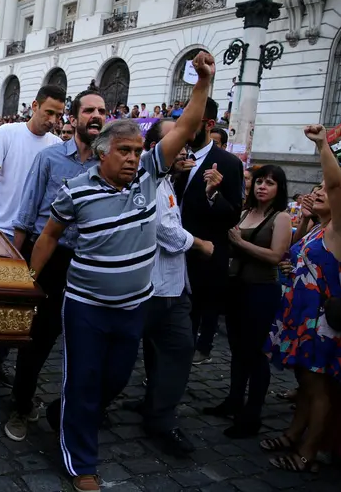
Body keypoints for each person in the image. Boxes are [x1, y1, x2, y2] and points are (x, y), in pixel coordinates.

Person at [30, 52, 216, 492]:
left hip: (133, 307)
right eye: (125, 151)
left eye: (138, 150)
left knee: (113, 380)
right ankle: (81, 463)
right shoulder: (75, 190)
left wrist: (203, 82)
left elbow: (187, 126)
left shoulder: (150, 175)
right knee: (84, 379)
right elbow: (50, 236)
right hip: (86, 308)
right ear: (102, 154)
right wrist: (29, 280)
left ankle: (66, 414)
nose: (135, 158)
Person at [2, 89, 103, 442]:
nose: (96, 116)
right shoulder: (50, 159)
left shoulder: (108, 165)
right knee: (38, 338)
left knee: (84, 341)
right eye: (88, 110)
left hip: (89, 263)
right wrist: (18, 268)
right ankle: (20, 403)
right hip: (51, 258)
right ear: (73, 119)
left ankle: (71, 412)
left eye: (101, 110)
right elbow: (27, 215)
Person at [263, 125, 341, 473]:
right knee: (305, 383)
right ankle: (293, 434)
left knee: (319, 389)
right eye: (317, 187)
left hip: (322, 322)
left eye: (326, 190)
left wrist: (323, 146)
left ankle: (308, 453)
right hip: (299, 315)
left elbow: (336, 185)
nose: (321, 191)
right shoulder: (320, 227)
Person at [0, 85, 66, 388]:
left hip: (36, 238)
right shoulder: (7, 133)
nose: (53, 120)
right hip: (2, 232)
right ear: (34, 106)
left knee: (20, 309)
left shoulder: (57, 145)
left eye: (58, 115)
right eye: (49, 112)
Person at [128, 120, 214, 456]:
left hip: (175, 289)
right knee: (118, 359)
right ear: (154, 147)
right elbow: (167, 231)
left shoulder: (167, 179)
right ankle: (75, 408)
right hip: (149, 288)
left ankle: (160, 417)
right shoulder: (146, 177)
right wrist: (201, 244)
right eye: (173, 141)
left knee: (178, 351)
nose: (182, 148)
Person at [206, 165, 290, 438]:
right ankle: (233, 399)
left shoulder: (281, 218)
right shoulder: (244, 213)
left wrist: (241, 244)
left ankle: (252, 414)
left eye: (269, 183)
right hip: (236, 287)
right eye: (259, 182)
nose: (262, 187)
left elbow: (276, 257)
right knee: (237, 348)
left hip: (261, 290)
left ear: (279, 189)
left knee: (255, 353)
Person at [173, 97, 244, 365]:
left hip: (203, 259)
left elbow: (233, 215)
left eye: (191, 122)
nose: (184, 127)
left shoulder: (227, 163)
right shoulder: (177, 155)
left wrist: (213, 195)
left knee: (190, 323)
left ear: (209, 124)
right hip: (172, 254)